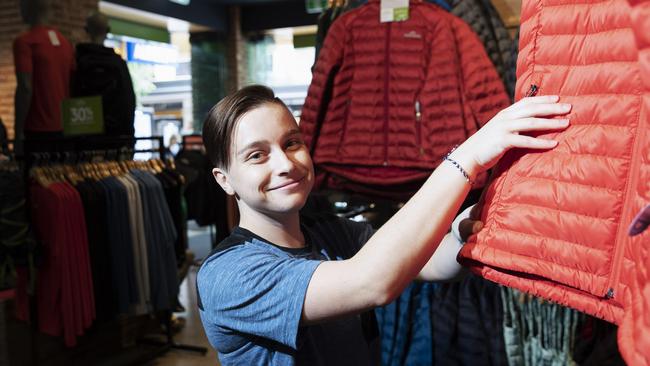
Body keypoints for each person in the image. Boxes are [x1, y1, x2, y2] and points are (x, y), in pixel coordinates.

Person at [197, 85, 571, 365]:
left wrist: (465, 229)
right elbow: (371, 283)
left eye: (291, 142)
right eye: (257, 155)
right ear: (224, 180)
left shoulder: (331, 231)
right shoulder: (228, 275)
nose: (285, 164)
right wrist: (467, 157)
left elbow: (426, 261)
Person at [13, 0, 74, 155]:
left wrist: (18, 131)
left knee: (34, 178)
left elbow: (25, 87)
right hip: (63, 129)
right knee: (57, 178)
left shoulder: (24, 42)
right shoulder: (65, 43)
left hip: (36, 130)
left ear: (27, 9)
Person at [71, 11, 136, 144]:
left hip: (84, 134)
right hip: (115, 135)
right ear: (108, 30)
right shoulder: (118, 64)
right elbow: (129, 101)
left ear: (86, 30)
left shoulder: (77, 62)